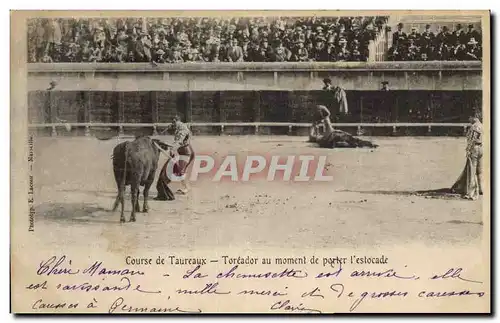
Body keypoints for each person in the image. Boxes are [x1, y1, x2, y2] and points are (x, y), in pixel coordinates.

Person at [156, 116, 195, 200]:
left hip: (186, 152)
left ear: (177, 121)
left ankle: (187, 188)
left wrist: (170, 147)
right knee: (179, 170)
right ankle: (187, 187)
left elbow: (179, 142)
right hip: (184, 151)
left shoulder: (182, 129)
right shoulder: (180, 126)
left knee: (180, 171)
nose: (173, 124)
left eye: (174, 122)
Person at [451, 112, 483, 200]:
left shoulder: (474, 127)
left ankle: (471, 192)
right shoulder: (482, 125)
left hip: (474, 149)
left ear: (474, 117)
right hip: (481, 148)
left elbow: (472, 140)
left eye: (470, 117)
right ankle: (481, 188)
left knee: (472, 170)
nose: (469, 120)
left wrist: (468, 150)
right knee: (479, 170)